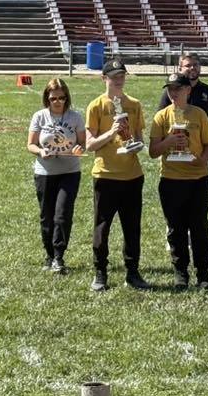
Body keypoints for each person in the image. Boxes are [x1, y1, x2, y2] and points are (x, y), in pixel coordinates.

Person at [84, 59, 150, 291]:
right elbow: (90, 145)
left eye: (121, 75)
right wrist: (111, 132)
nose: (119, 79)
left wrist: (135, 145)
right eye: (114, 76)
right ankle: (100, 272)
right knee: (102, 227)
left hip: (132, 175)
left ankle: (132, 272)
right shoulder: (96, 106)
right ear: (104, 79)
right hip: (106, 175)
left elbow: (140, 139)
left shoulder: (134, 104)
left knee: (132, 227)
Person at [149, 73, 208, 289]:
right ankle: (180, 272)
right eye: (170, 89)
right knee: (175, 228)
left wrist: (202, 161)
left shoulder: (198, 115)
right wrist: (169, 140)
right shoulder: (161, 116)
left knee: (199, 227)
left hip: (197, 179)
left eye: (178, 88)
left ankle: (203, 273)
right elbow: (152, 151)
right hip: (171, 179)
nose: (173, 93)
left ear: (188, 90)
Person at [26, 78, 85, 274]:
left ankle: (59, 256)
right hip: (45, 172)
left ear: (67, 98)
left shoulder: (75, 117)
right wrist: (40, 152)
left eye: (61, 98)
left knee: (62, 215)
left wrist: (78, 148)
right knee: (47, 216)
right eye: (53, 98)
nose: (57, 101)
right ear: (47, 99)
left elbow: (83, 144)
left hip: (69, 172)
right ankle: (49, 254)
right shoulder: (40, 117)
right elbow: (31, 144)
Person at [157, 52, 208, 144]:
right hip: (176, 145)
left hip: (201, 145)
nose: (192, 68)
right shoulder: (171, 91)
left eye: (195, 65)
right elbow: (160, 118)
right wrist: (163, 142)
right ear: (180, 69)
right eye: (188, 65)